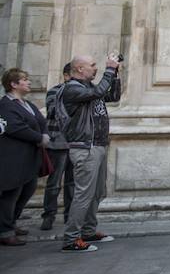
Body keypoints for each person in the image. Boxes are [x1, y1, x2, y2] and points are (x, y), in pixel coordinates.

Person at [60, 54, 121, 253]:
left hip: (98, 145)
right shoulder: (72, 89)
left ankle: (88, 230)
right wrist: (109, 69)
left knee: (97, 193)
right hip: (85, 147)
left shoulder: (89, 89)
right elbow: (100, 91)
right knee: (83, 194)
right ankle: (71, 239)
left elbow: (112, 96)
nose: (96, 68)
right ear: (79, 69)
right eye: (92, 65)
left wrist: (116, 73)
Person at [0, 68, 48, 246]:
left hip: (30, 156)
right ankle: (5, 231)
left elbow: (41, 122)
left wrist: (44, 134)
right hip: (13, 156)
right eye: (24, 79)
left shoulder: (26, 104)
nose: (28, 82)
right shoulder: (6, 105)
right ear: (13, 84)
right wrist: (39, 138)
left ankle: (11, 223)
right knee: (11, 193)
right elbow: (14, 127)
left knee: (28, 189)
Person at [40, 62, 74, 230]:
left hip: (76, 144)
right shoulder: (55, 91)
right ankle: (48, 215)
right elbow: (54, 112)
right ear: (66, 76)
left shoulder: (82, 92)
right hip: (57, 142)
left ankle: (70, 216)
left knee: (72, 183)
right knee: (54, 183)